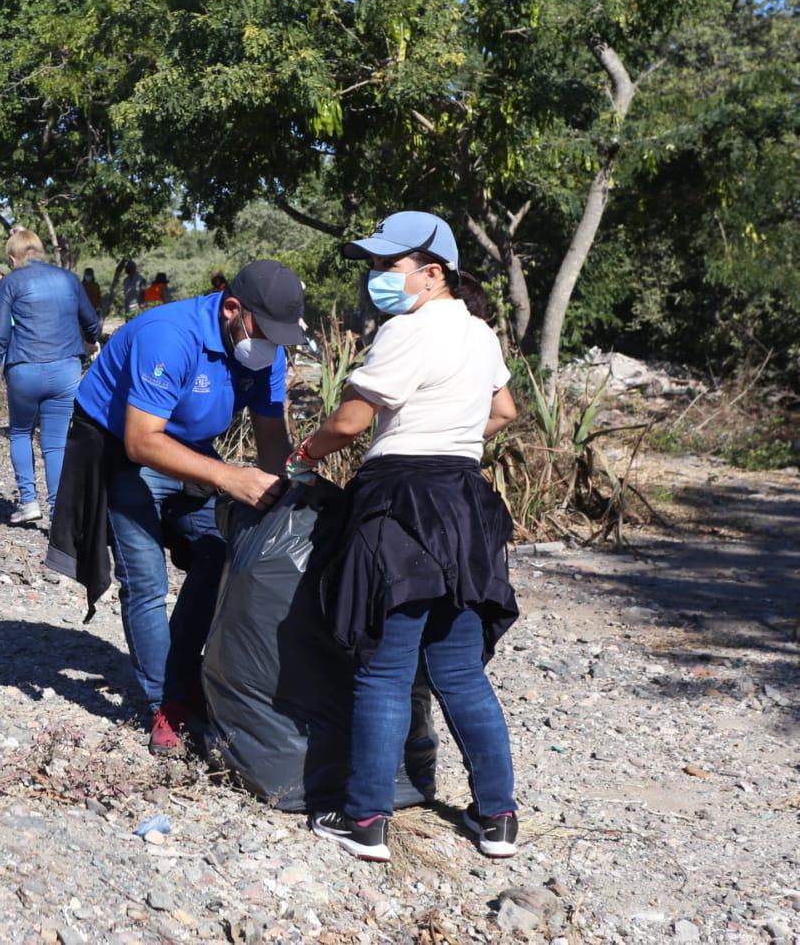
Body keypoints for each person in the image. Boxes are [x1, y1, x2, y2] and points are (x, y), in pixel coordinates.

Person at [295, 212, 520, 864]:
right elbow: (502, 411)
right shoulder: (478, 334)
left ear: (431, 272)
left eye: (386, 267)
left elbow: (350, 419)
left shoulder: (407, 329)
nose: (375, 278)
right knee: (458, 672)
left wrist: (303, 456)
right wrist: (447, 439)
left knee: (384, 669)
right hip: (464, 504)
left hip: (400, 504)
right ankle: (496, 816)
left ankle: (365, 821)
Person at [47, 260, 306, 755]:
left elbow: (272, 438)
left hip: (190, 450)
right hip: (124, 450)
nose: (272, 347)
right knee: (145, 580)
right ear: (232, 308)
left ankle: (183, 671)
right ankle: (165, 705)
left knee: (219, 554)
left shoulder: (265, 354)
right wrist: (232, 477)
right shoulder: (169, 335)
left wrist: (286, 496)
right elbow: (144, 442)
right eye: (265, 332)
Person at [0, 228, 100, 524]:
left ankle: (29, 502)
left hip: (24, 370)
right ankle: (57, 511)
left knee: (20, 433)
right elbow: (91, 320)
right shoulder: (68, 278)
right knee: (55, 442)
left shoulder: (10, 282)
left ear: (14, 257)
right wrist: (91, 342)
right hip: (66, 369)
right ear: (39, 251)